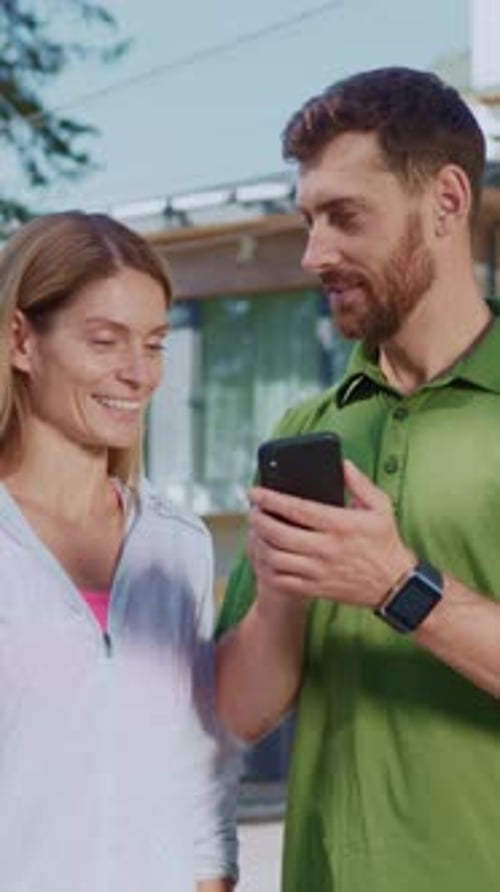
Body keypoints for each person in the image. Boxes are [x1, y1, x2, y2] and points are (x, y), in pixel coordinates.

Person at [216, 67, 500, 892]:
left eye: (345, 217)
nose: (315, 254)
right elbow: (239, 714)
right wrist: (281, 594)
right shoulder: (309, 433)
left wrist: (397, 584)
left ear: (447, 200)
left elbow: (397, 589)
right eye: (308, 220)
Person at [0, 210, 240, 892]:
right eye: (106, 342)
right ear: (21, 340)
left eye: (156, 343)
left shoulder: (177, 545)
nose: (139, 374)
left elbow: (201, 784)